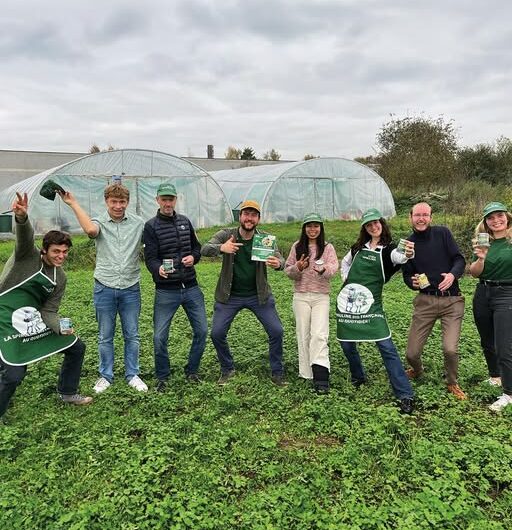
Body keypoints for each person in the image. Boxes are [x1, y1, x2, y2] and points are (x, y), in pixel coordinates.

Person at [0, 192, 92, 420]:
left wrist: (60, 328)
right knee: (13, 373)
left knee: (75, 346)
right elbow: (25, 236)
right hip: (4, 317)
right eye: (56, 251)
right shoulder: (27, 257)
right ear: (44, 250)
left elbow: (49, 311)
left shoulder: (59, 278)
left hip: (29, 320)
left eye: (65, 252)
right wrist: (22, 217)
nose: (61, 256)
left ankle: (67, 392)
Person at [59, 184, 148, 394]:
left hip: (130, 287)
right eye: (113, 202)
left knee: (132, 335)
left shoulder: (138, 224)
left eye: (122, 202)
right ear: (106, 201)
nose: (118, 206)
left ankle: (132, 374)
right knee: (105, 336)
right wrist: (73, 203)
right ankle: (105, 375)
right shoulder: (98, 222)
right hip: (104, 287)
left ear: (128, 202)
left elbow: (153, 243)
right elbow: (90, 231)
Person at [336, 208, 414, 413]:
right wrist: (346, 279)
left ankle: (404, 394)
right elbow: (344, 263)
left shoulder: (389, 249)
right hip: (349, 302)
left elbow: (399, 257)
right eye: (369, 224)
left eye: (376, 223)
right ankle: (358, 376)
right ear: (365, 228)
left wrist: (406, 254)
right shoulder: (357, 248)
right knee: (347, 344)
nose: (374, 226)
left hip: (372, 305)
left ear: (382, 224)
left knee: (386, 346)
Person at [201, 200, 286, 386]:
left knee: (276, 331)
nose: (249, 218)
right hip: (229, 296)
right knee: (217, 333)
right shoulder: (226, 234)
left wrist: (278, 264)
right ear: (240, 217)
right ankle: (227, 369)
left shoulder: (264, 239)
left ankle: (277, 372)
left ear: (258, 219)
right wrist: (221, 248)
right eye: (246, 214)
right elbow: (204, 248)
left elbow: (280, 259)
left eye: (253, 215)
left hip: (259, 295)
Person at [143, 182, 208, 391]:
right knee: (159, 336)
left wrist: (193, 258)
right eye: (164, 199)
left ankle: (192, 370)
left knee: (202, 330)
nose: (168, 203)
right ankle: (162, 376)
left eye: (171, 199)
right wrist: (158, 269)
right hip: (166, 291)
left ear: (175, 200)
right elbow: (150, 258)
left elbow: (197, 248)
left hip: (191, 287)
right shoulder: (151, 226)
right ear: (158, 200)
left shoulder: (185, 222)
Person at [402, 202, 467, 400]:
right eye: (417, 215)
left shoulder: (443, 234)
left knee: (450, 348)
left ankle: (452, 382)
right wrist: (412, 282)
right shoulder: (408, 244)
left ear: (431, 217)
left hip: (451, 300)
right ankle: (418, 370)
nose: (421, 218)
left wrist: (452, 275)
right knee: (411, 353)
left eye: (425, 215)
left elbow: (459, 260)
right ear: (410, 217)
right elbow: (407, 274)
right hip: (425, 301)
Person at [284, 213, 338, 393]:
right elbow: (288, 271)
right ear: (304, 228)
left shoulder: (328, 248)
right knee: (303, 334)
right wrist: (297, 268)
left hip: (321, 296)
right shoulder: (297, 246)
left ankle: (321, 376)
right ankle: (306, 372)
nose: (312, 229)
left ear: (321, 228)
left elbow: (333, 268)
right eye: (309, 226)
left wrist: (323, 270)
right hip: (300, 296)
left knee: (319, 334)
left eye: (316, 226)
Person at [469, 202, 512, 411]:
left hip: (507, 294)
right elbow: (474, 272)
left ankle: (509, 393)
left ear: (507, 217)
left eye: (499, 216)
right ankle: (495, 377)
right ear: (485, 222)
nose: (496, 220)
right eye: (491, 218)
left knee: (505, 346)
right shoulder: (482, 242)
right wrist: (481, 258)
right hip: (483, 293)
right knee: (488, 341)